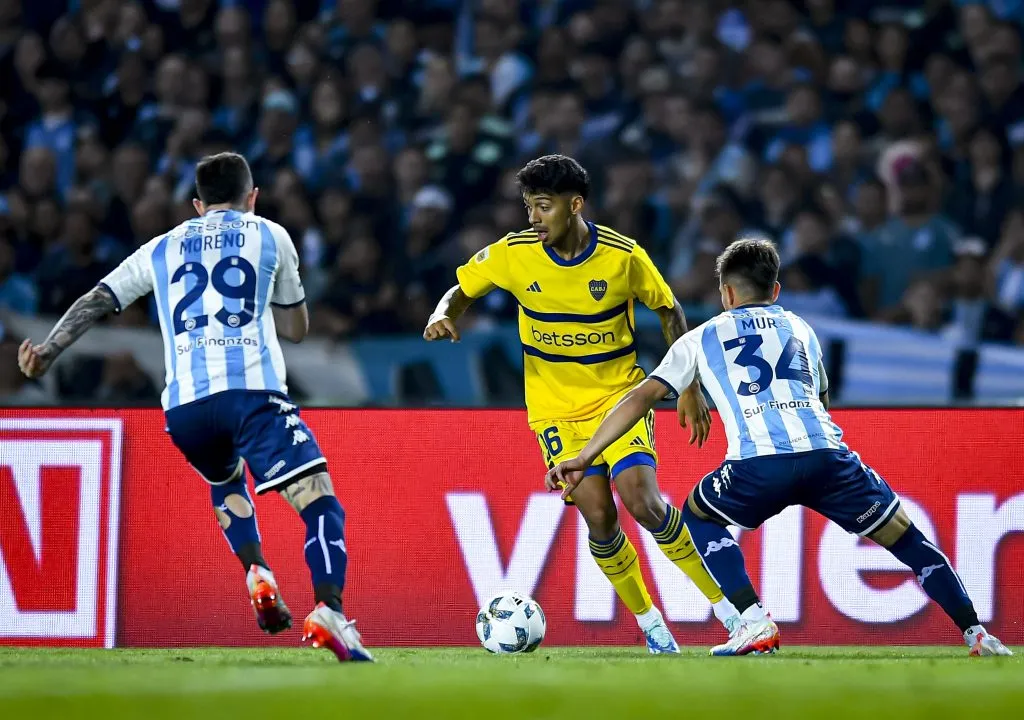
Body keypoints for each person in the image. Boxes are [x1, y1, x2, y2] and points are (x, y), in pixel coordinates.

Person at [546, 237, 1012, 658]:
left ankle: (753, 620)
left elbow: (639, 399)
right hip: (829, 459)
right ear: (775, 290)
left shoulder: (702, 337)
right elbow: (822, 399)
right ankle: (976, 633)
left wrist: (585, 456)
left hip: (758, 464)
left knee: (696, 515)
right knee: (910, 541)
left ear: (726, 294)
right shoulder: (801, 329)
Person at [16, 152, 372, 663]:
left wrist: (48, 349)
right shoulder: (270, 234)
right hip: (251, 394)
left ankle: (255, 569)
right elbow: (296, 330)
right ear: (253, 197)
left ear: (196, 204)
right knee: (318, 500)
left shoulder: (160, 247)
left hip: (184, 409)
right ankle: (330, 611)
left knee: (226, 480)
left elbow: (99, 298)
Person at [424, 154, 740, 653]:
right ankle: (652, 625)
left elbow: (669, 309)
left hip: (619, 398)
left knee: (643, 500)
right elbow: (460, 291)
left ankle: (729, 613)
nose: (532, 218)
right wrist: (442, 314)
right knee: (599, 516)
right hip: (554, 411)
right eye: (528, 206)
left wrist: (691, 387)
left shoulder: (622, 256)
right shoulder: (514, 253)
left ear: (575, 205)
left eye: (542, 207)